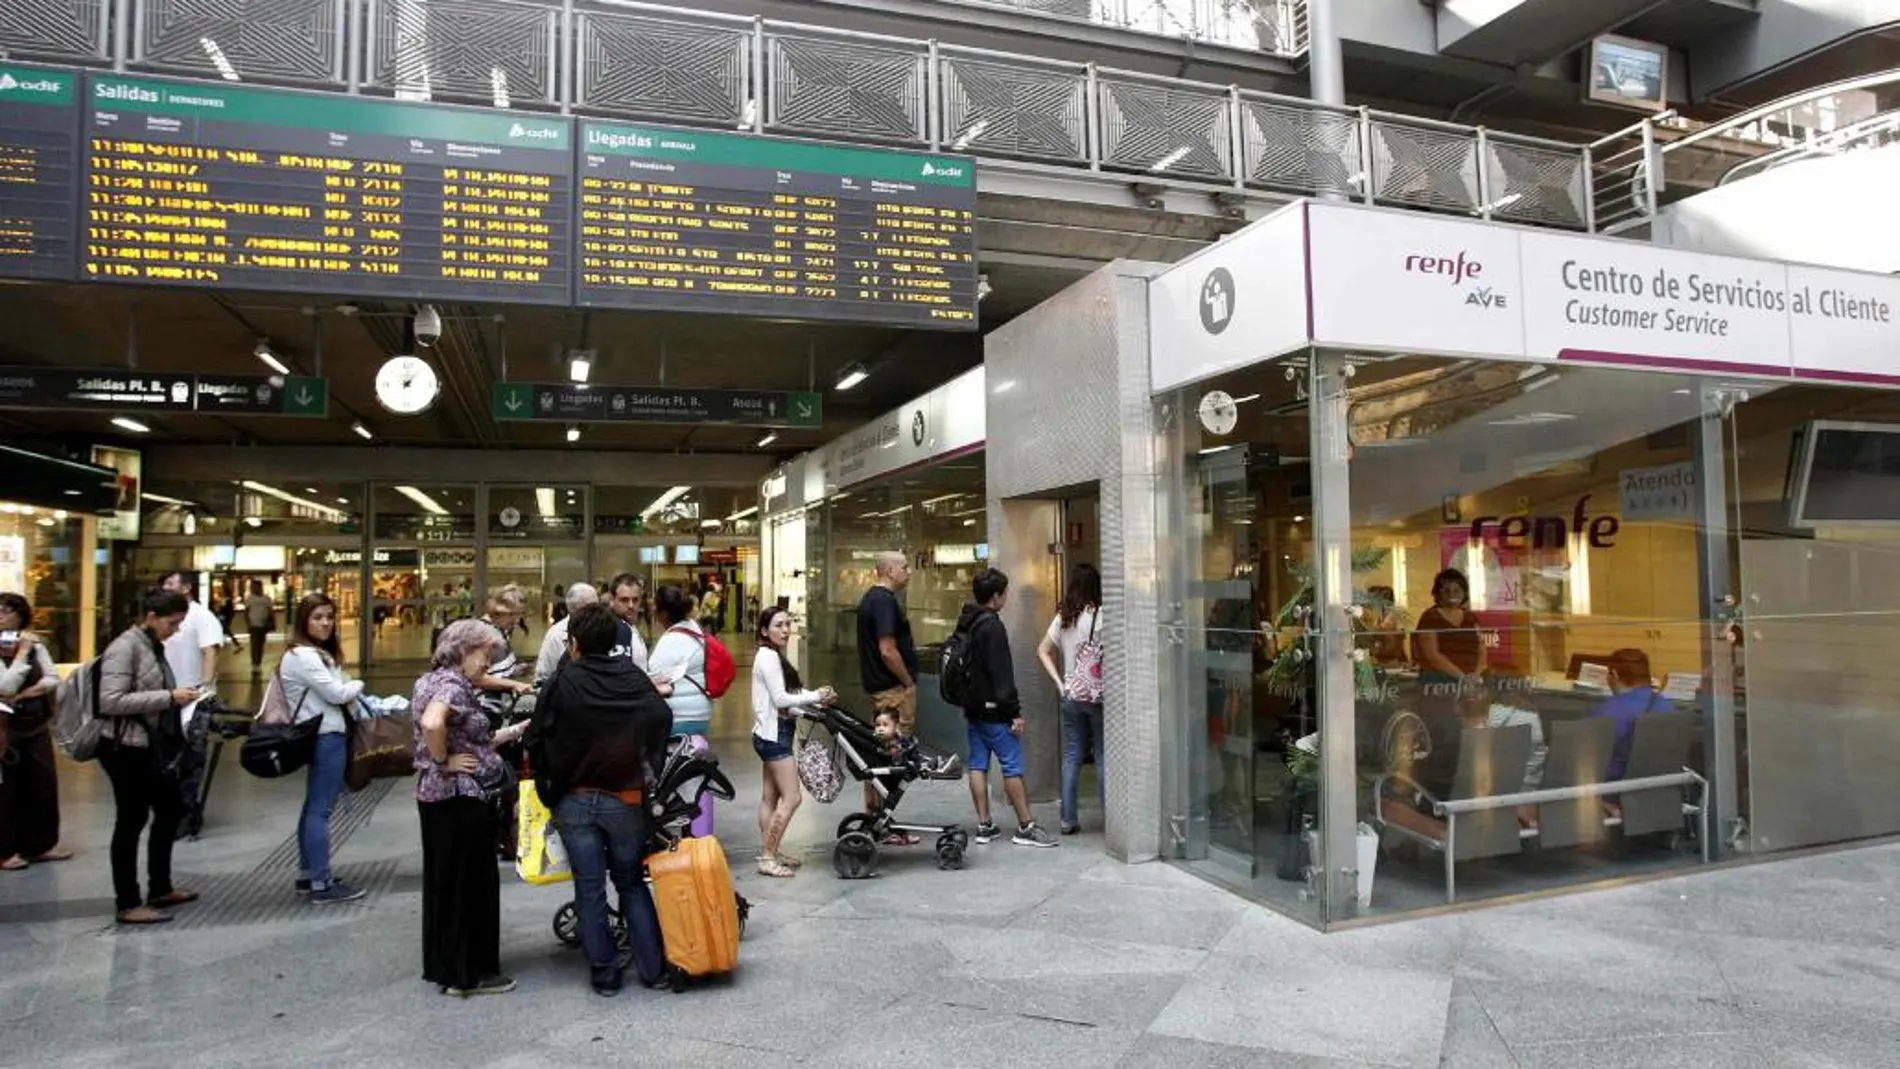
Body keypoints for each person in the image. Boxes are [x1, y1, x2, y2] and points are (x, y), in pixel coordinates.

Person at [524, 604, 671, 996]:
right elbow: (660, 715)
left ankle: (605, 976)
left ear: (573, 643)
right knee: (630, 883)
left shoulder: (563, 681)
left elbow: (536, 737)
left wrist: (551, 780)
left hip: (575, 799)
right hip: (624, 799)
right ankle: (653, 970)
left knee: (589, 887)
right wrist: (644, 760)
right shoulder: (632, 677)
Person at [414, 619, 533, 997]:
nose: (487, 663)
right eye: (484, 654)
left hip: (438, 799)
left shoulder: (431, 680)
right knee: (472, 884)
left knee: (446, 884)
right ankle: (471, 972)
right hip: (460, 799)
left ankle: (448, 964)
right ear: (464, 651)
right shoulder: (451, 686)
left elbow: (472, 739)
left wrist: (515, 731)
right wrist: (442, 760)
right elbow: (434, 723)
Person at [96, 589, 201, 924]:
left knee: (170, 808)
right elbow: (110, 700)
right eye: (172, 622)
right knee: (131, 819)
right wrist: (169, 697)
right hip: (124, 747)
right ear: (152, 617)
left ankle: (160, 887)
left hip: (148, 745)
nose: (176, 629)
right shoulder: (124, 647)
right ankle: (128, 902)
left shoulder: (150, 645)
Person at [955, 567, 1057, 848]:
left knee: (977, 764)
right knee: (1012, 766)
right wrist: (1014, 711)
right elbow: (1002, 674)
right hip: (995, 711)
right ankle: (1026, 826)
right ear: (996, 596)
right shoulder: (993, 626)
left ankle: (984, 825)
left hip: (973, 707)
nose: (1007, 597)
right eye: (1005, 592)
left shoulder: (967, 621)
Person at [280, 592, 367, 904]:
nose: (326, 623)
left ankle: (309, 874)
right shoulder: (304, 656)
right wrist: (359, 684)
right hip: (326, 737)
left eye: (329, 617)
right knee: (321, 810)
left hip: (321, 736)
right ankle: (321, 882)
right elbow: (337, 693)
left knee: (313, 807)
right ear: (304, 621)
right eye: (317, 617)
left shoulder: (310, 653)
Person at [751, 606, 833, 878]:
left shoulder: (771, 655)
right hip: (775, 738)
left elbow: (788, 696)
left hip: (769, 733)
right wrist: (815, 696)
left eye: (787, 624)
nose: (785, 630)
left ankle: (771, 850)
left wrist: (816, 697)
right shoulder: (769, 658)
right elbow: (781, 700)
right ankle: (767, 856)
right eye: (778, 625)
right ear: (764, 630)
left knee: (770, 798)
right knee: (793, 797)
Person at [0, 593, 70, 871]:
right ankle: (5, 850)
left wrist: (30, 691)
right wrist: (21, 655)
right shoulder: (23, 649)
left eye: (8, 611)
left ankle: (39, 844)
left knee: (42, 784)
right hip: (6, 726)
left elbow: (52, 677)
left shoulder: (33, 642)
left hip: (35, 721)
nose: (2, 615)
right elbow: (5, 686)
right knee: (8, 789)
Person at [1036, 562, 1105, 837]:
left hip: (1071, 694)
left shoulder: (1064, 616)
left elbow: (1042, 651)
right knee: (1102, 755)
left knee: (1072, 756)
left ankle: (1067, 820)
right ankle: (1111, 818)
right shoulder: (1102, 615)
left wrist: (1060, 683)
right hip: (1098, 695)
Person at [158, 570, 224, 839]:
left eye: (170, 583)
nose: (165, 586)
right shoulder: (165, 617)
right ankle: (170, 811)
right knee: (166, 755)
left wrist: (204, 690)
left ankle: (187, 814)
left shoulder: (201, 616)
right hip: (166, 695)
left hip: (193, 697)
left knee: (191, 758)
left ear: (186, 588)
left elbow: (211, 651)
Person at [856, 551, 918, 830]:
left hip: (884, 690)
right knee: (893, 760)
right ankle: (881, 821)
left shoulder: (873, 598)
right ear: (890, 571)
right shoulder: (883, 602)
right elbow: (887, 650)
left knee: (882, 758)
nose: (910, 571)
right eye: (905, 567)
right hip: (892, 691)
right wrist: (907, 682)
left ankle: (879, 818)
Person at [649, 584, 716, 838]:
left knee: (675, 779)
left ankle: (683, 836)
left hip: (678, 718)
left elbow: (651, 679)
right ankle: (699, 834)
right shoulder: (695, 631)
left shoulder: (670, 641)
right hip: (699, 715)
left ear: (661, 613)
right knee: (694, 775)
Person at [1413, 568, 1485, 704]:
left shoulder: (1470, 617)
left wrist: (1476, 675)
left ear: (1464, 593)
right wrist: (1461, 677)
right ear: (1438, 593)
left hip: (1470, 685)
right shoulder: (1430, 617)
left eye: (1457, 591)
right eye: (1447, 591)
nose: (1452, 594)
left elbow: (1481, 648)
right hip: (1438, 685)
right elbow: (1433, 655)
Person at [1589, 648, 1662, 782]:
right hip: (1660, 789)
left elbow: (1587, 759)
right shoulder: (1667, 705)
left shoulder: (1605, 711)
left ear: (1615, 675)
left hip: (1613, 792)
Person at [604, 573, 652, 671]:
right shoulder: (610, 629)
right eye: (624, 600)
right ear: (612, 600)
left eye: (635, 600)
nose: (631, 605)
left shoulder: (630, 625)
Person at [243, 581, 275, 673]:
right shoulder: (250, 599)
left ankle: (258, 662)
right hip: (254, 625)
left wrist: (273, 622)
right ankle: (254, 664)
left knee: (261, 644)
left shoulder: (267, 598)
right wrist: (248, 623)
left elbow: (270, 611)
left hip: (263, 625)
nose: (253, 589)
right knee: (255, 645)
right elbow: (246, 611)